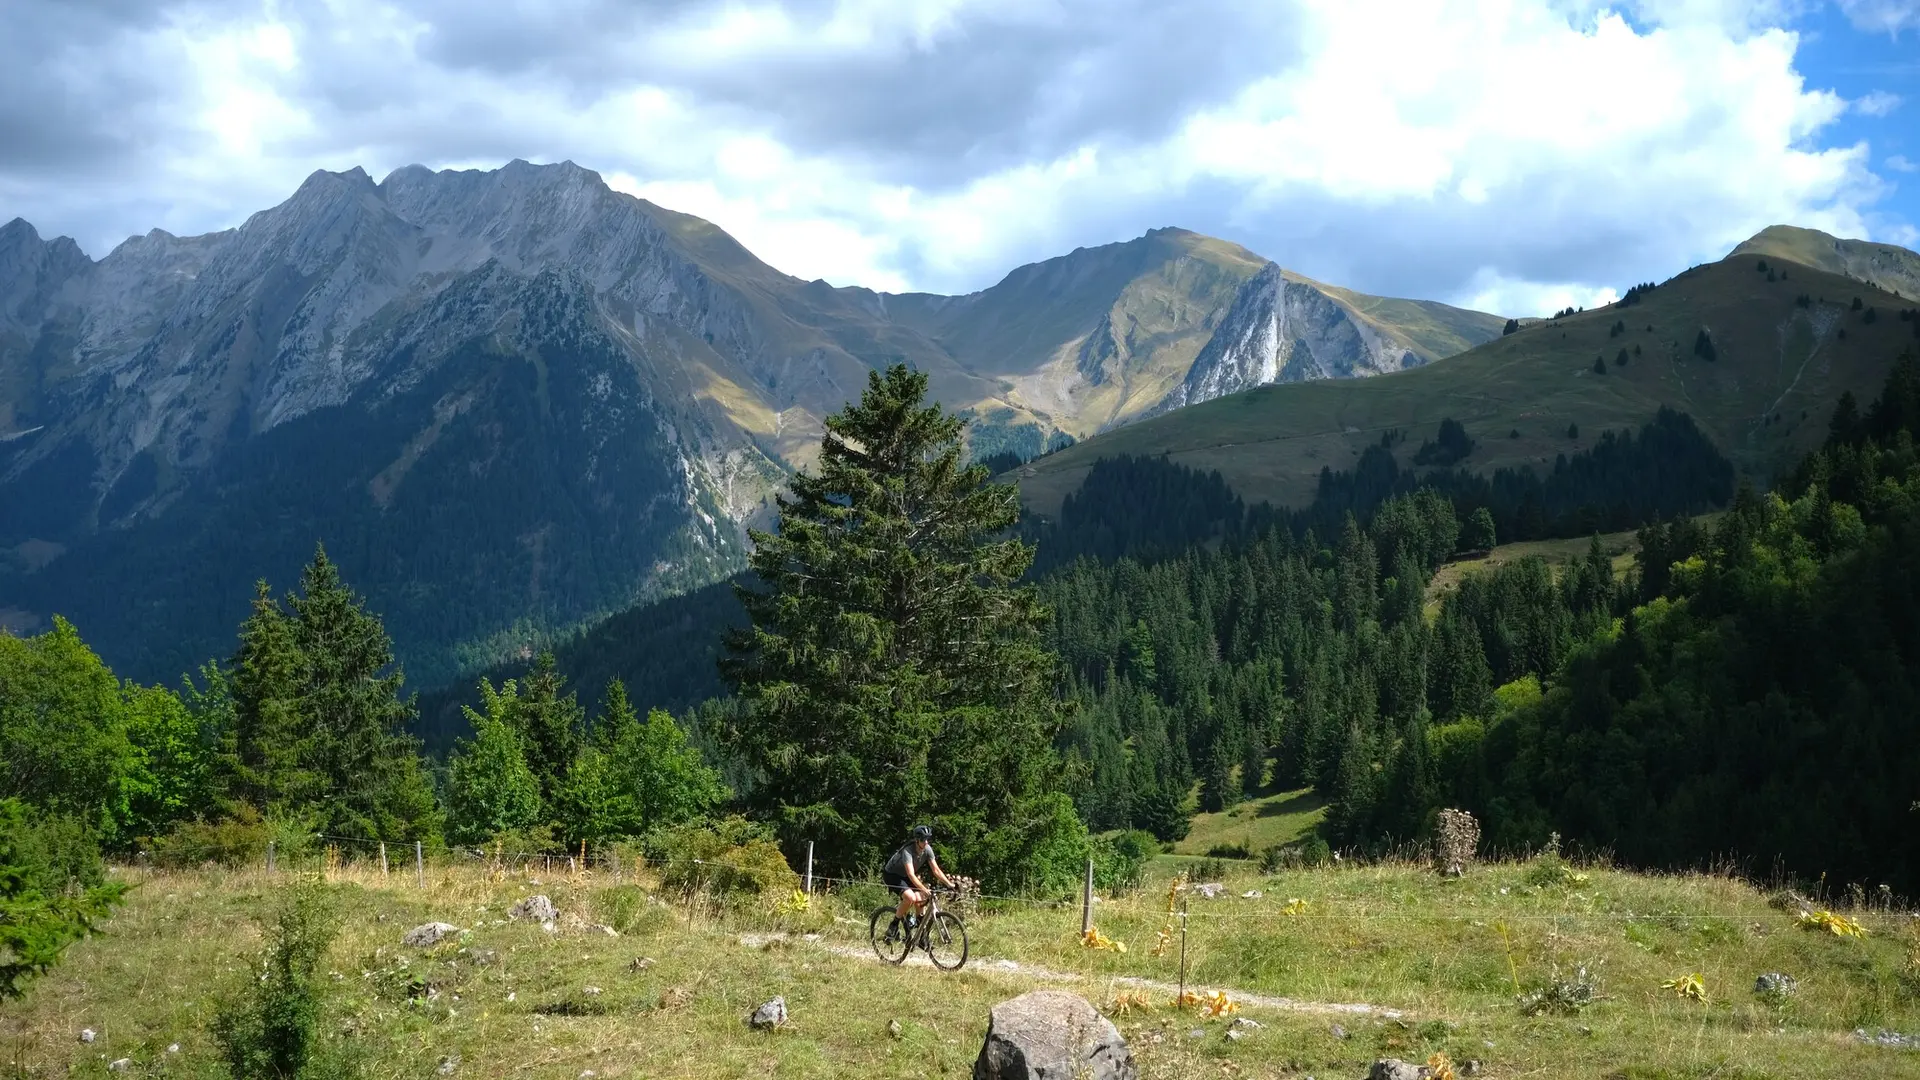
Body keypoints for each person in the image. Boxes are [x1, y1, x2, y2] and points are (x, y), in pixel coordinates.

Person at [882, 824, 953, 941]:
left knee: (921, 897)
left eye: (928, 839)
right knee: (910, 898)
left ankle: (920, 936)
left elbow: (936, 870)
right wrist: (924, 888)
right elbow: (911, 874)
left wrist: (949, 884)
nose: (926, 842)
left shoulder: (927, 849)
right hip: (892, 875)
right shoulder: (907, 851)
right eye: (923, 839)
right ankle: (893, 925)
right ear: (916, 840)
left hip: (906, 875)